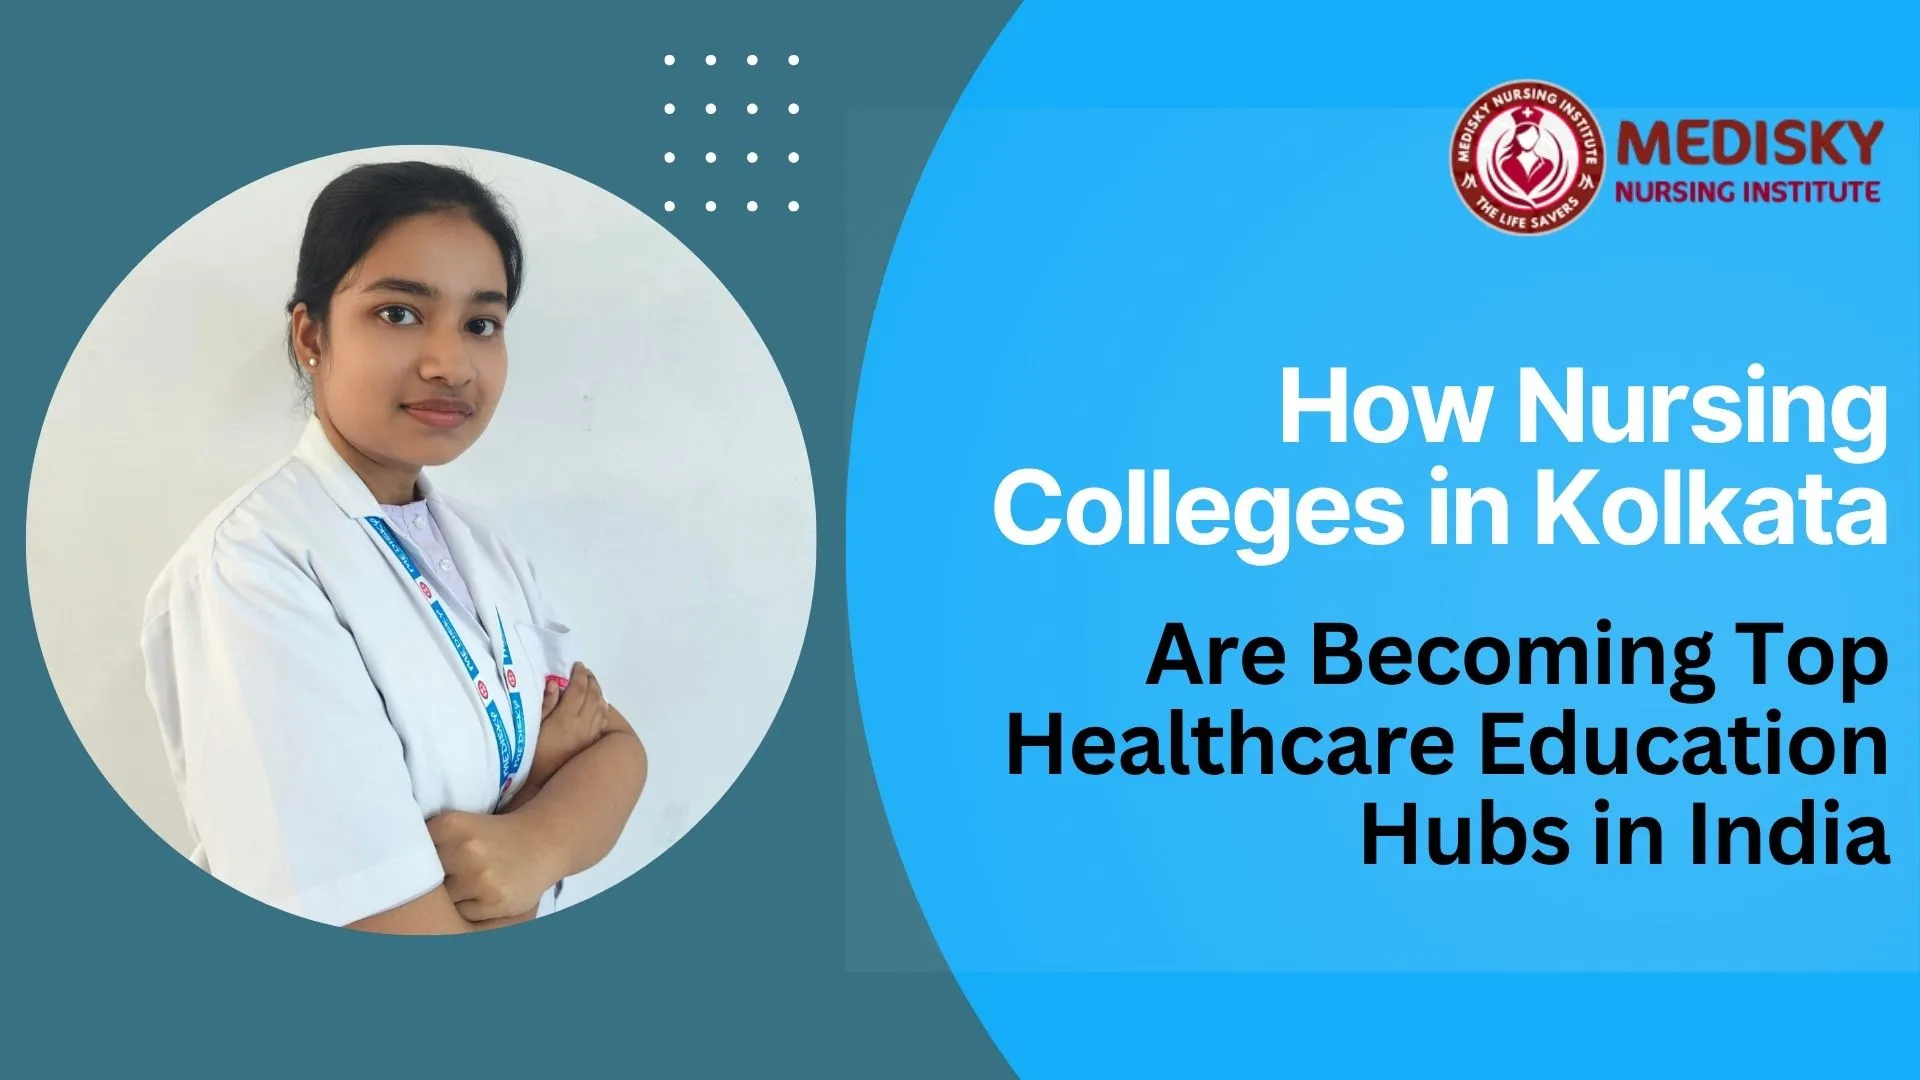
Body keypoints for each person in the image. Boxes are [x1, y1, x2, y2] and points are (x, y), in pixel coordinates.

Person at [140, 161, 649, 933]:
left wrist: (538, 842)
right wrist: (539, 789)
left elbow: (617, 751)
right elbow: (371, 921)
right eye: (400, 314)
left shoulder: (487, 544)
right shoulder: (252, 567)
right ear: (312, 336)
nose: (450, 363)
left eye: (482, 323)